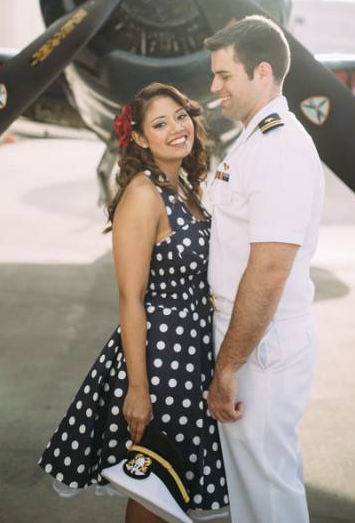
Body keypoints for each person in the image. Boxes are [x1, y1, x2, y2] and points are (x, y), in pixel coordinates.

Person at [38, 82, 229, 522]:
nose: (177, 128)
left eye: (181, 116)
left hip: (193, 356)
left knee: (175, 487)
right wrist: (138, 390)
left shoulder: (184, 187)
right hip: (162, 361)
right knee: (154, 490)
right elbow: (131, 297)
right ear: (141, 139)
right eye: (160, 124)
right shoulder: (144, 194)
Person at [204, 15, 324, 523]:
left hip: (259, 343)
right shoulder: (255, 139)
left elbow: (271, 268)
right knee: (257, 485)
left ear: (263, 72)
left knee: (267, 492)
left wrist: (228, 365)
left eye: (224, 75)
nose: (214, 87)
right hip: (251, 335)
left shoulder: (277, 147)